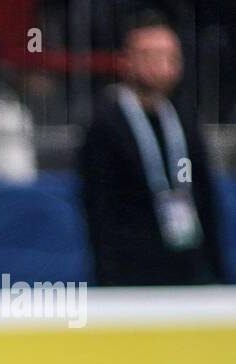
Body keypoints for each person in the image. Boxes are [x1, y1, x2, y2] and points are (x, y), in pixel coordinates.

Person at [79, 10, 229, 286]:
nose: (161, 65)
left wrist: (215, 271)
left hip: (188, 263)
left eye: (170, 56)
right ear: (126, 61)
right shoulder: (107, 123)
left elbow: (204, 195)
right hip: (131, 270)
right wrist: (109, 276)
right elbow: (99, 208)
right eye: (150, 56)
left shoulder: (183, 117)